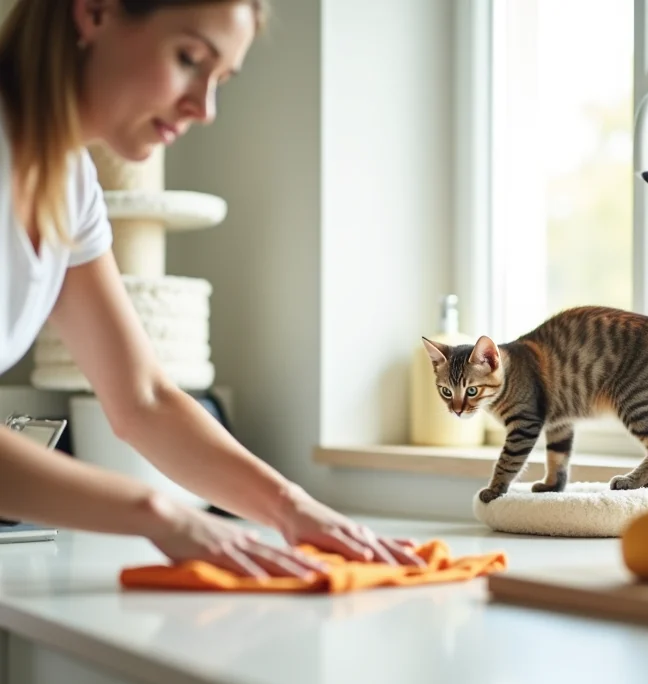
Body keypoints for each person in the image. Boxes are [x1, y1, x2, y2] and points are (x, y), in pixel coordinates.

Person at [0, 0, 423, 578]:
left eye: (220, 79)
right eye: (188, 59)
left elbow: (143, 398)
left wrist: (289, 507)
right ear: (94, 12)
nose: (204, 108)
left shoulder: (70, 188)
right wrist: (157, 514)